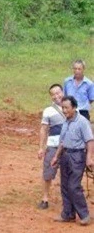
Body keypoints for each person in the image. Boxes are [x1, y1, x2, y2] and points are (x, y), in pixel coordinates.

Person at [50, 96, 93, 225]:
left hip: (77, 156)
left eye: (67, 108)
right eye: (63, 107)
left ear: (74, 108)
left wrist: (89, 158)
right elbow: (62, 142)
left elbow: (90, 141)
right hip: (65, 155)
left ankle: (84, 215)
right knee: (64, 186)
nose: (64, 110)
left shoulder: (82, 122)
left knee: (73, 186)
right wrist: (56, 157)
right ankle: (68, 214)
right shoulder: (66, 122)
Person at [37, 84, 65, 209]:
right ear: (50, 97)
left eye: (58, 93)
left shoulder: (73, 107)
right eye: (53, 94)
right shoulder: (48, 111)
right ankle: (45, 198)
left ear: (63, 92)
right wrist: (41, 147)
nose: (56, 96)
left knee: (68, 174)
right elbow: (43, 129)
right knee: (48, 172)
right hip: (53, 145)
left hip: (69, 147)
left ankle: (67, 200)